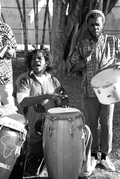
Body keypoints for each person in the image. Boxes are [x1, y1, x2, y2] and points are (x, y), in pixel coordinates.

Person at [13, 45, 93, 178]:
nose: (36, 61)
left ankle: (83, 169)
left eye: (40, 58)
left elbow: (63, 101)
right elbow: (23, 102)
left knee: (86, 132)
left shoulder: (54, 81)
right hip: (33, 131)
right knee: (31, 172)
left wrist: (63, 102)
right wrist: (46, 96)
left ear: (47, 62)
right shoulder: (24, 79)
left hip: (54, 129)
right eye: (33, 59)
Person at [68, 9, 120, 172]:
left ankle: (104, 156)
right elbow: (72, 67)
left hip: (108, 90)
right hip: (88, 90)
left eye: (97, 24)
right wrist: (85, 60)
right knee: (90, 124)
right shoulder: (81, 45)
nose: (95, 28)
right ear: (87, 25)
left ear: (103, 24)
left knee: (106, 123)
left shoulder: (113, 42)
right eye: (91, 25)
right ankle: (91, 155)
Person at [0, 20, 17, 106]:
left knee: (9, 108)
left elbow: (14, 52)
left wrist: (10, 52)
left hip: (4, 78)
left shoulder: (5, 28)